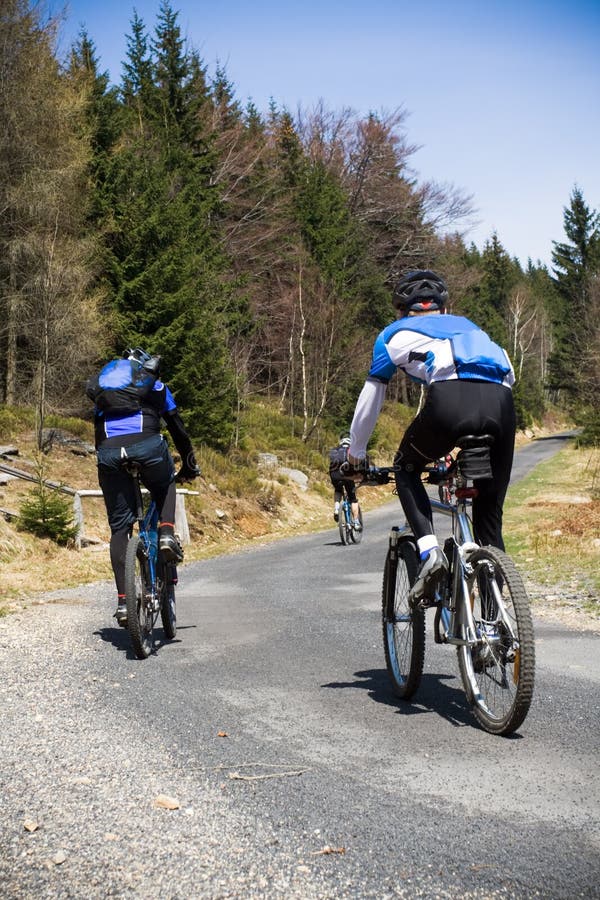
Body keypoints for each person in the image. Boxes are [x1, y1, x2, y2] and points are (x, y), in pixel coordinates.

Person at [344, 269, 516, 604]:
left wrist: (357, 450)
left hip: (449, 402)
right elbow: (503, 375)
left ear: (401, 310)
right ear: (442, 308)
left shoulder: (392, 334)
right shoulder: (471, 328)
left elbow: (372, 395)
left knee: (406, 467)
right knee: (489, 517)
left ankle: (429, 553)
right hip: (502, 405)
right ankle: (498, 629)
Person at [86, 348, 200, 624]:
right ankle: (166, 535)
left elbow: (99, 433)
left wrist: (108, 459)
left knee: (120, 529)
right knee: (166, 485)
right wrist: (189, 465)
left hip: (109, 454)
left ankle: (124, 603)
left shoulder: (106, 393)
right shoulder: (156, 385)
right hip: (147, 448)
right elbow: (177, 429)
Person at [329, 433, 362, 531]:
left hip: (334, 475)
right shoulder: (351, 451)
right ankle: (356, 522)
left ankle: (336, 508)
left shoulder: (334, 450)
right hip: (347, 476)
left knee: (338, 490)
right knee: (353, 499)